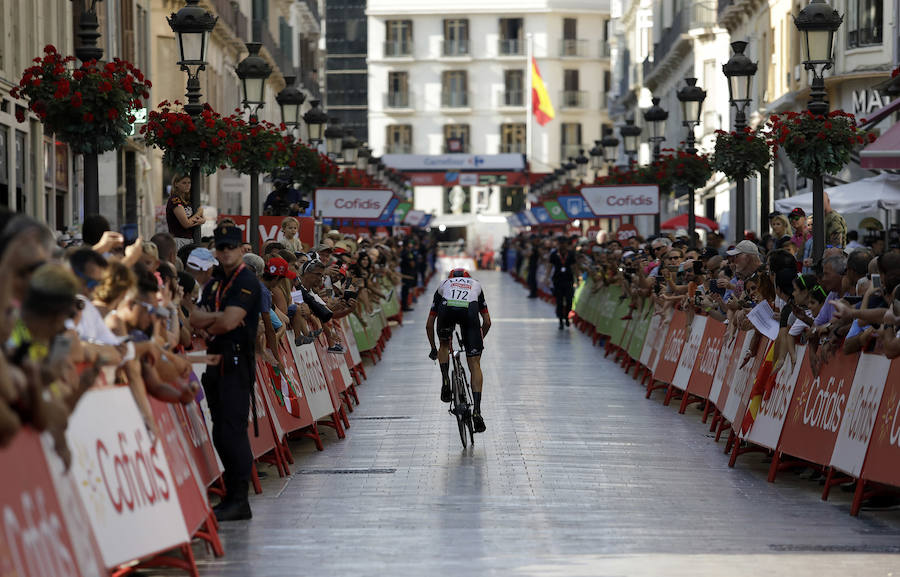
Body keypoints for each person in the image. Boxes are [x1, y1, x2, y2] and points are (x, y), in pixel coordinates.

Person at [189, 224, 261, 522]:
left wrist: (214, 319)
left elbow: (226, 323)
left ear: (241, 249)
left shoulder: (246, 280)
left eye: (232, 246)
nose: (227, 252)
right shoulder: (216, 282)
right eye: (222, 247)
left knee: (232, 433)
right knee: (220, 431)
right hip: (215, 361)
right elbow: (194, 318)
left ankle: (239, 499)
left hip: (235, 362)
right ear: (216, 251)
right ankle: (232, 495)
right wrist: (215, 318)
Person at [426, 268, 491, 433]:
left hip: (447, 310)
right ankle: (477, 411)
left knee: (444, 345)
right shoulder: (476, 284)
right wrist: (478, 339)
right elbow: (487, 322)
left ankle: (446, 380)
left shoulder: (443, 284)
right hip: (469, 312)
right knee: (475, 364)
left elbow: (429, 324)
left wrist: (434, 347)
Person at [166, 174, 204, 250]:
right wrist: (199, 213)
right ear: (176, 184)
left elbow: (200, 219)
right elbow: (186, 224)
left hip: (190, 240)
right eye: (184, 183)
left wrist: (203, 220)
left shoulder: (188, 200)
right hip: (179, 240)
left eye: (189, 183)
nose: (187, 185)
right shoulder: (175, 200)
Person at [547, 236, 578, 329]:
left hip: (568, 279)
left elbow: (574, 266)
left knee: (569, 300)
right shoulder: (554, 254)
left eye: (564, 244)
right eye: (560, 244)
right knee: (559, 301)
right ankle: (560, 320)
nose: (562, 246)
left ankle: (567, 317)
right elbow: (550, 266)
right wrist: (547, 278)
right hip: (557, 280)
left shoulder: (571, 254)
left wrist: (577, 277)